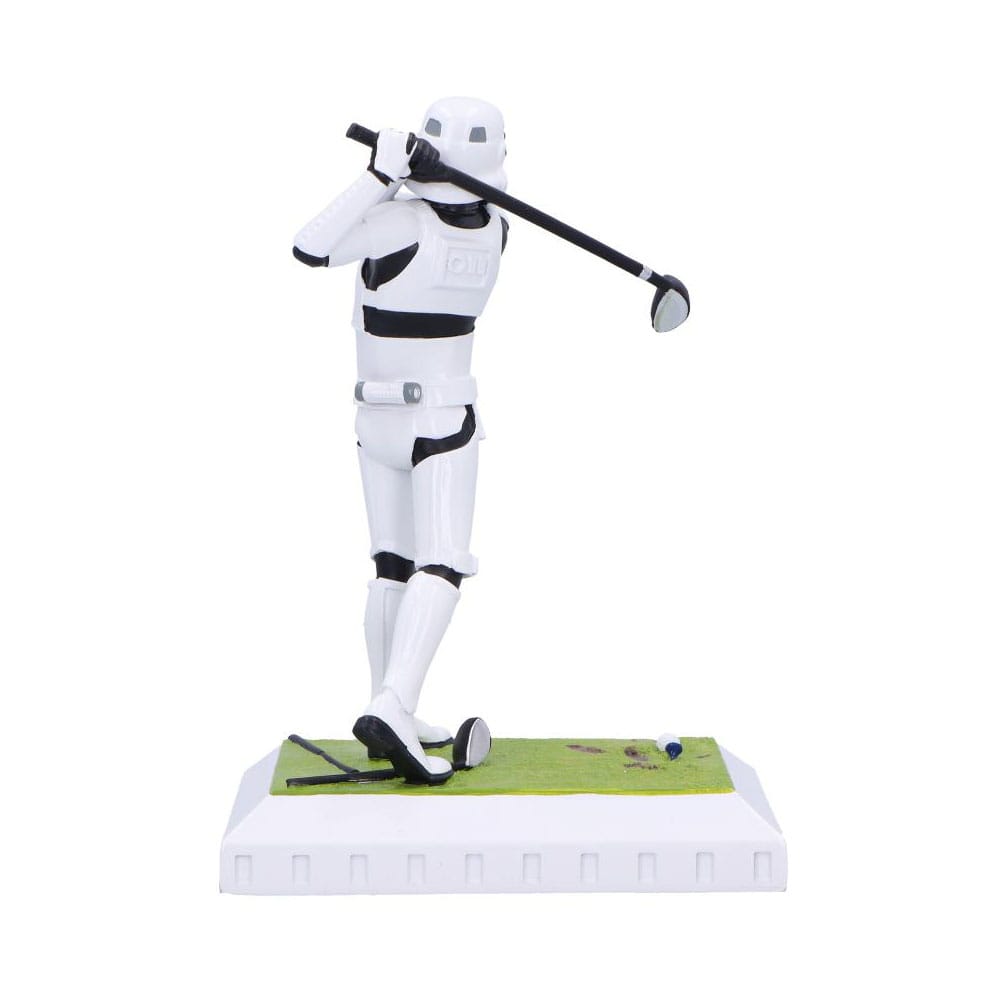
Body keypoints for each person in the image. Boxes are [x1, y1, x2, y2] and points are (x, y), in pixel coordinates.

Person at [293, 97, 509, 783]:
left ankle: (390, 707)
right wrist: (394, 178)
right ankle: (393, 705)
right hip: (442, 420)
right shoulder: (499, 229)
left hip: (377, 420)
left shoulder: (394, 222)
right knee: (439, 566)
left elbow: (313, 245)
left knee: (395, 566)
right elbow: (310, 247)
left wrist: (378, 176)